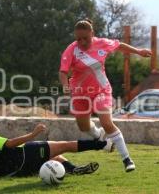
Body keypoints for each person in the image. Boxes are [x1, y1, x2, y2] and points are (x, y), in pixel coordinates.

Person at [59, 19, 152, 172]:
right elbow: (63, 71)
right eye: (78, 39)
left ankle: (126, 159)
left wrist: (138, 51)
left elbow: (119, 45)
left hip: (102, 90)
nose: (81, 42)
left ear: (92, 34)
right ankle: (100, 135)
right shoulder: (71, 49)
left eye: (85, 38)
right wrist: (65, 85)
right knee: (83, 127)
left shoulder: (102, 43)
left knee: (106, 121)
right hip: (80, 93)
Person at [0, 120, 114, 178]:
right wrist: (32, 134)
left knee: (52, 157)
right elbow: (10, 144)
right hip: (22, 156)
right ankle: (102, 144)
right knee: (65, 145)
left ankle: (73, 169)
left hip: (17, 172)